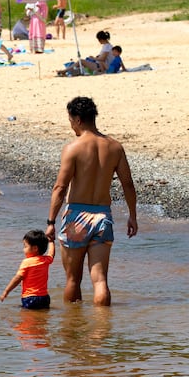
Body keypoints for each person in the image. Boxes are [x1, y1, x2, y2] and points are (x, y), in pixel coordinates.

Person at [46, 96, 138, 306]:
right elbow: (128, 185)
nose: (71, 125)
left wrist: (51, 222)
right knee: (100, 280)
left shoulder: (73, 148)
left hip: (76, 217)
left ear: (77, 119)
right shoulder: (115, 147)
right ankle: (101, 332)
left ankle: (72, 330)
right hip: (102, 217)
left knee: (72, 279)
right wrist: (133, 216)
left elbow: (60, 188)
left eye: (70, 120)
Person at [0, 230, 56, 309]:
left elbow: (18, 278)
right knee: (42, 319)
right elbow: (51, 254)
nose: (23, 249)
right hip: (44, 297)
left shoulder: (26, 262)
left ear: (35, 248)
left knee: (28, 319)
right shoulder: (45, 260)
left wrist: (6, 291)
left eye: (25, 246)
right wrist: (51, 242)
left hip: (30, 297)